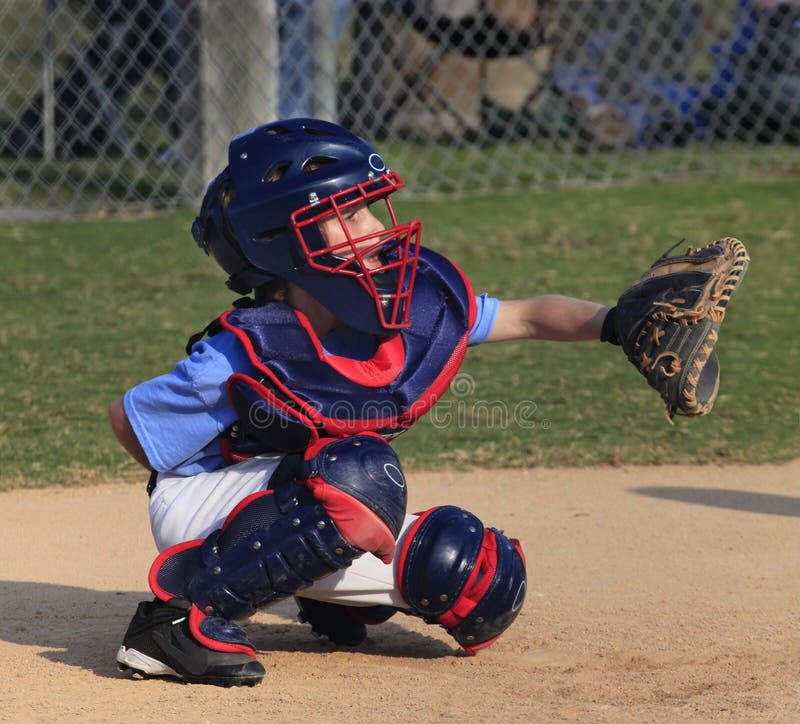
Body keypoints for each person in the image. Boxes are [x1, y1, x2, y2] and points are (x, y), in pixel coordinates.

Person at [110, 117, 613, 687]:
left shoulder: (388, 312)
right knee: (360, 476)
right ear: (284, 241)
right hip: (203, 505)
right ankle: (179, 620)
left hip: (297, 493)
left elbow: (527, 316)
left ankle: (315, 584)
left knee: (472, 573)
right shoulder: (240, 354)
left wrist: (618, 323)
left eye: (371, 208)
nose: (375, 229)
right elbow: (129, 420)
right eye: (349, 215)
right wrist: (227, 508)